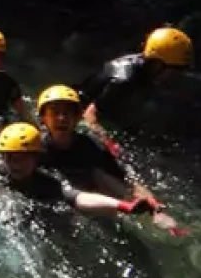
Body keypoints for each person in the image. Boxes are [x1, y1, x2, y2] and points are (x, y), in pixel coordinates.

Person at [35, 85, 181, 233]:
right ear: (43, 118)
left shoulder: (89, 146)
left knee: (101, 174)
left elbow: (126, 180)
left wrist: (155, 208)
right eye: (55, 113)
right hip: (62, 193)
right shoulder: (36, 148)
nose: (62, 118)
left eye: (67, 113)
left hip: (89, 188)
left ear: (78, 117)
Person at [0, 122, 159, 220]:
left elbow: (80, 197)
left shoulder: (50, 184)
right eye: (9, 157)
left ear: (36, 159)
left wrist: (124, 206)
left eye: (22, 158)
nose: (15, 164)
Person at [76, 27, 193, 155]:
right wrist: (110, 145)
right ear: (158, 64)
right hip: (80, 113)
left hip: (108, 111)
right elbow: (89, 115)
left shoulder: (144, 68)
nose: (174, 76)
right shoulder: (124, 79)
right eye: (174, 70)